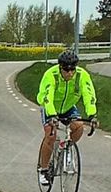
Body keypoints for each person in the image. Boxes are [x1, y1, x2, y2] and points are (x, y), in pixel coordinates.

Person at [36, 49, 98, 180]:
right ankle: (44, 169)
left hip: (68, 107)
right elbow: (47, 97)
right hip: (50, 106)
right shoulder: (51, 75)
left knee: (79, 126)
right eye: (66, 70)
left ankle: (67, 148)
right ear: (60, 67)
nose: (69, 73)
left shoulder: (81, 75)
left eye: (72, 70)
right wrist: (52, 115)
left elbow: (89, 95)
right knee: (50, 135)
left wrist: (92, 115)